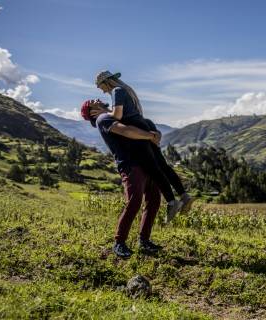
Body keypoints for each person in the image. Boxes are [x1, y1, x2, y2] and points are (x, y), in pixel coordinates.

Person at [93, 71, 194, 221]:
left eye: (100, 86)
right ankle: (184, 196)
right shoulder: (127, 90)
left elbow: (118, 116)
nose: (101, 90)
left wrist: (104, 112)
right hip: (143, 124)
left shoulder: (116, 91)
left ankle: (172, 202)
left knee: (153, 168)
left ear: (106, 82)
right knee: (162, 165)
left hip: (137, 129)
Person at [81, 100, 164, 258]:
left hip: (146, 162)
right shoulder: (103, 119)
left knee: (154, 200)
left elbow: (144, 126)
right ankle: (119, 243)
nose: (96, 100)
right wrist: (150, 135)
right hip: (131, 165)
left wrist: (155, 133)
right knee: (134, 201)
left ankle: (144, 241)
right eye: (92, 102)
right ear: (92, 113)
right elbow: (126, 131)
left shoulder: (116, 115)